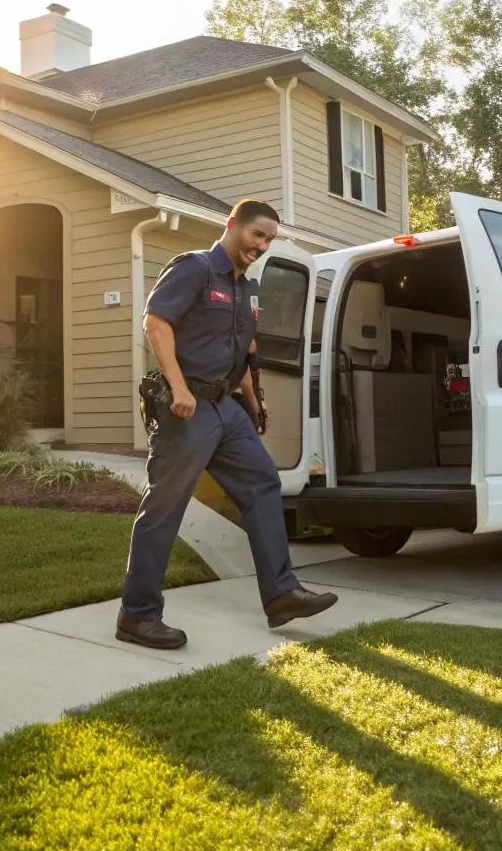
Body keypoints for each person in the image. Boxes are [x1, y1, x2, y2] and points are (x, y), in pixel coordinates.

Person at [116, 198, 338, 649]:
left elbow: (242, 351)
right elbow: (156, 322)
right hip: (188, 407)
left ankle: (281, 594)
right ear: (233, 225)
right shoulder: (194, 268)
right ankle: (137, 616)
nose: (262, 245)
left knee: (262, 484)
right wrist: (178, 388)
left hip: (227, 408)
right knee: (165, 508)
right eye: (258, 235)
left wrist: (255, 401)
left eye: (270, 239)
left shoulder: (247, 288)